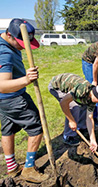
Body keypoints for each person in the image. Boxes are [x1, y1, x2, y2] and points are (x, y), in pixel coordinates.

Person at [0, 18, 49, 183]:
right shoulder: (4, 53)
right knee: (36, 127)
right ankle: (28, 168)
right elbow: (2, 85)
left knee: (8, 129)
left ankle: (12, 167)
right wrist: (26, 79)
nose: (23, 46)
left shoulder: (6, 43)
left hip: (4, 101)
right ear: (9, 35)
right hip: (12, 97)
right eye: (20, 42)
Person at [48, 73, 98, 148]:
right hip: (56, 86)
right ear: (95, 95)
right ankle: (68, 136)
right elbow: (63, 103)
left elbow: (89, 118)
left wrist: (93, 140)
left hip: (72, 89)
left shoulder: (92, 99)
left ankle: (81, 127)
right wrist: (71, 121)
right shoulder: (82, 90)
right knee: (74, 107)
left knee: (84, 105)